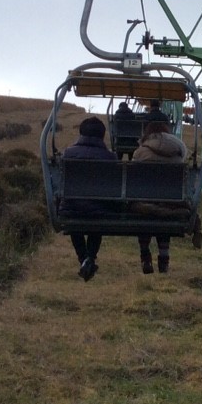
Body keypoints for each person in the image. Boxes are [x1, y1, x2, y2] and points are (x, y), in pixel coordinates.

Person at [62, 116, 117, 281]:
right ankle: (90, 258)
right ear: (102, 135)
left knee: (75, 216)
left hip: (71, 208)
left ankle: (84, 258)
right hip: (100, 209)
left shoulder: (68, 154)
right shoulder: (110, 157)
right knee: (96, 213)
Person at [132, 120, 187, 274]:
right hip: (170, 201)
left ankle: (145, 255)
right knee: (164, 213)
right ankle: (164, 258)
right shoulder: (178, 153)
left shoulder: (140, 152)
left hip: (145, 201)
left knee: (144, 212)